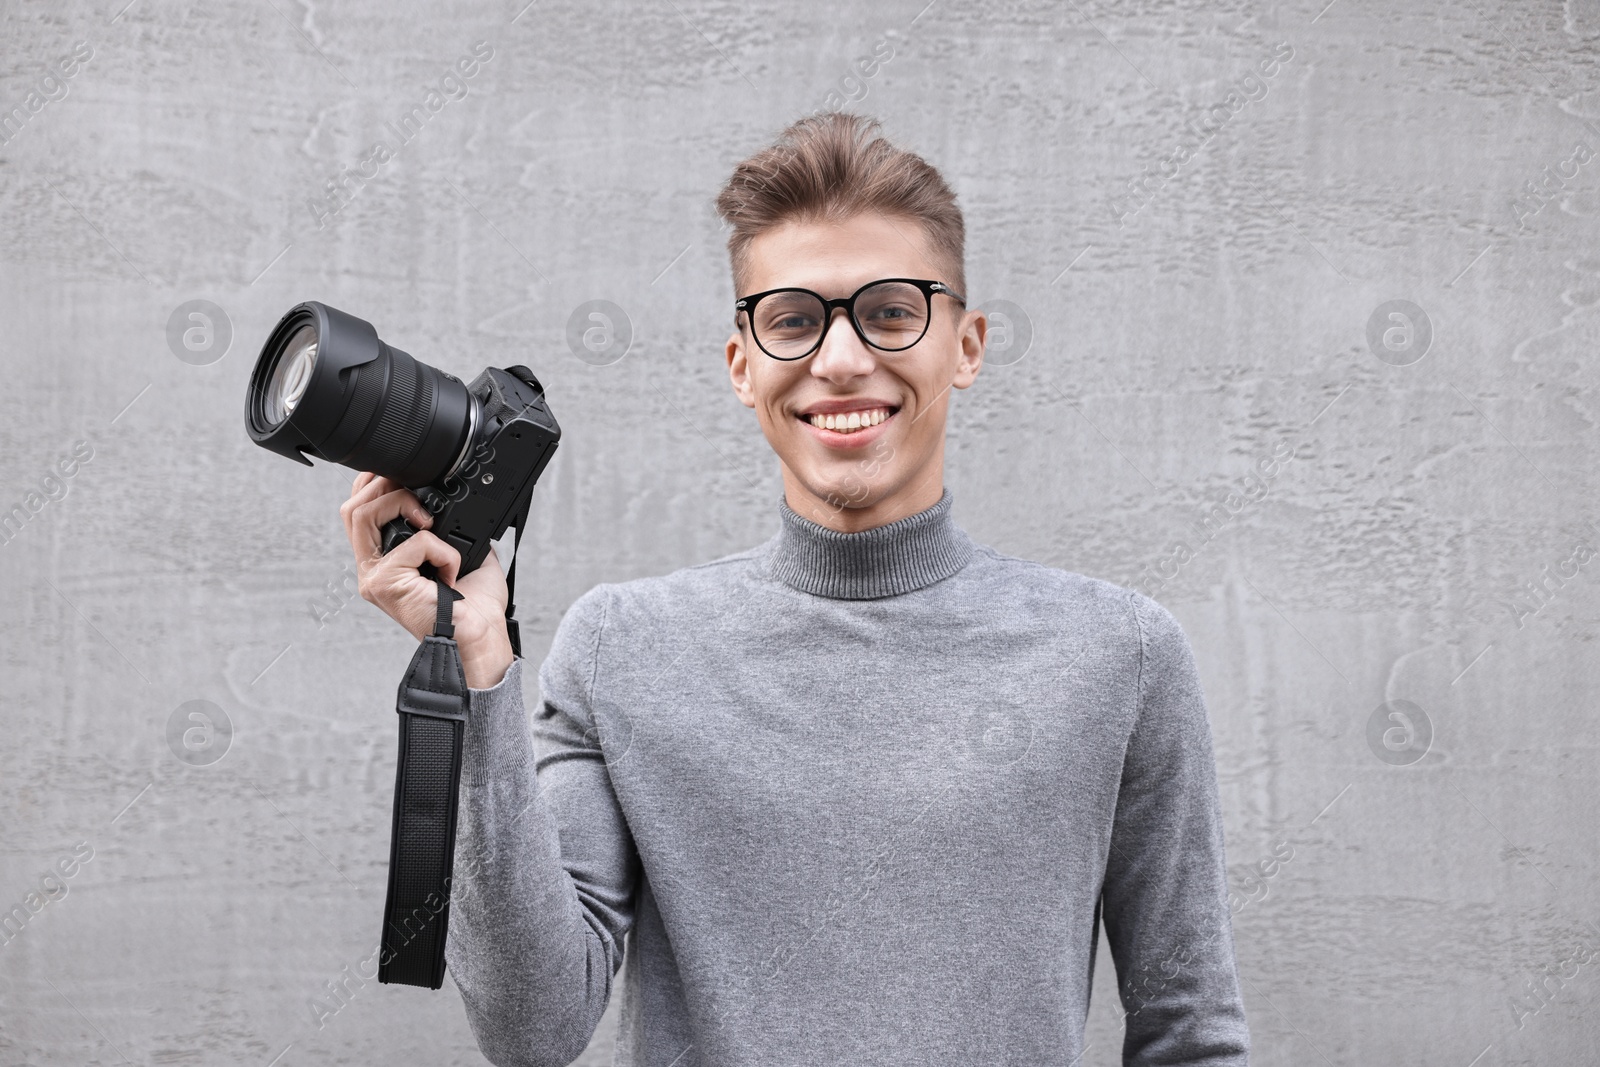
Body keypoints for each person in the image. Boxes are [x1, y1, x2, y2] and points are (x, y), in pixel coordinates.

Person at [340, 112, 1250, 1067]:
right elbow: (533, 1027)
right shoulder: (623, 646)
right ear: (743, 363)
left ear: (968, 345)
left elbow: (1189, 1034)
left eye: (893, 310)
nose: (842, 358)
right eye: (793, 319)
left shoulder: (1120, 654)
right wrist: (482, 664)